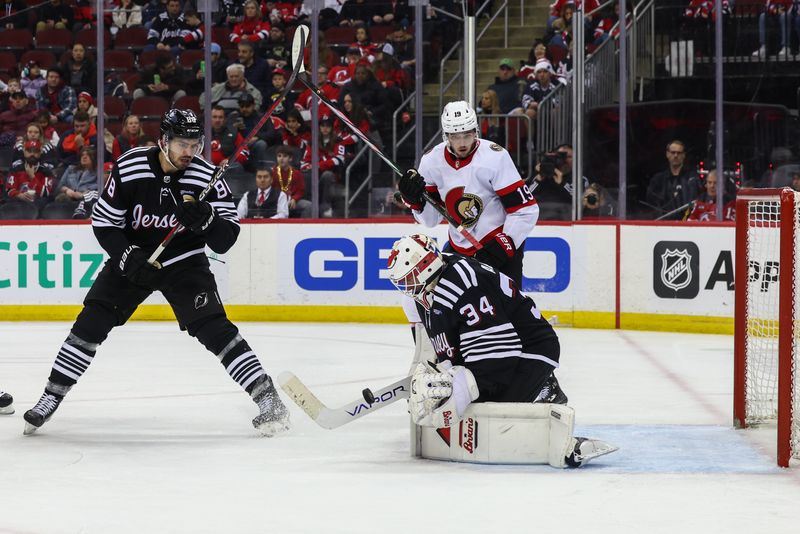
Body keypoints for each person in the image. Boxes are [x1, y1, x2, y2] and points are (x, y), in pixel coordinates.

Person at [22, 109, 291, 437]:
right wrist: (125, 255)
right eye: (181, 144)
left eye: (195, 144)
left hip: (185, 261)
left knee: (215, 329)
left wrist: (206, 220)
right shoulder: (130, 166)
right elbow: (105, 223)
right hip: (135, 259)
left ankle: (268, 397)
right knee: (90, 323)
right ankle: (50, 397)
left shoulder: (206, 176)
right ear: (163, 141)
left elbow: (226, 239)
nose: (189, 152)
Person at [386, 234, 616, 467]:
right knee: (464, 399)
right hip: (502, 348)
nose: (407, 287)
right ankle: (530, 388)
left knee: (490, 410)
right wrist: (445, 376)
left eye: (409, 279)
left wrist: (458, 390)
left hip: (529, 349)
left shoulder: (464, 283)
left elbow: (496, 356)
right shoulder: (429, 288)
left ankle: (544, 389)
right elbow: (450, 347)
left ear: (425, 268)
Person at [397, 101, 539, 286]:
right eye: (455, 136)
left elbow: (525, 210)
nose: (462, 143)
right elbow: (430, 221)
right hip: (458, 248)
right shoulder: (431, 162)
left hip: (498, 247)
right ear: (446, 135)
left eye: (467, 134)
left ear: (476, 131)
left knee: (507, 311)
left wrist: (506, 243)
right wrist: (414, 201)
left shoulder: (495, 157)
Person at [645, 140, 700, 217]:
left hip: (688, 223)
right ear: (667, 154)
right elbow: (652, 205)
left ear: (684, 155)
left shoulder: (693, 178)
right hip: (664, 223)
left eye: (679, 153)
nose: (675, 155)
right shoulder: (658, 180)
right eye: (673, 152)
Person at [273, 145, 310, 218]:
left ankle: (304, 227)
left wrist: (294, 199)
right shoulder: (272, 173)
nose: (281, 159)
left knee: (309, 206)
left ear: (290, 158)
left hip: (291, 201)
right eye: (279, 156)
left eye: (285, 156)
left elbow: (300, 190)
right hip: (276, 202)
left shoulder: (297, 173)